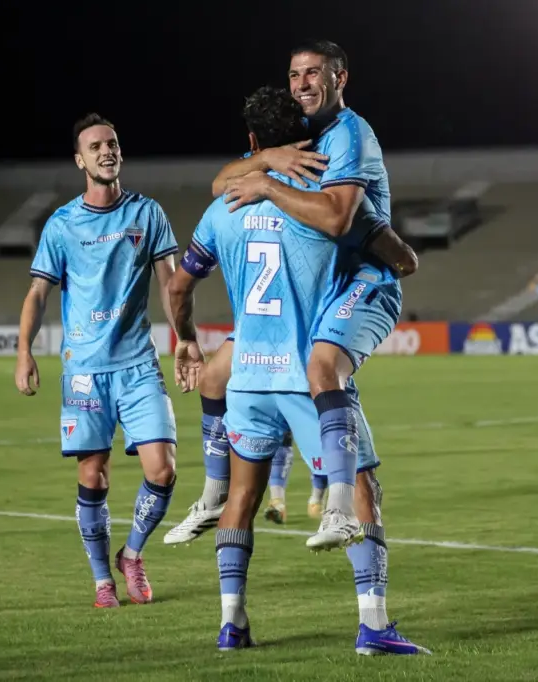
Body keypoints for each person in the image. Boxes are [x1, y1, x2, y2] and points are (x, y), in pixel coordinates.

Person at [167, 85, 429, 655]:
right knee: (363, 489)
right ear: (306, 140)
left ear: (255, 143)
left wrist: (187, 340)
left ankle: (232, 624)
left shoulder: (223, 207)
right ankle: (374, 626)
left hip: (248, 379)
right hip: (305, 375)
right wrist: (391, 254)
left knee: (242, 498)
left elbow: (180, 283)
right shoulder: (321, 199)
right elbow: (399, 257)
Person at [15, 113, 180, 609]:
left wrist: (185, 339)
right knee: (93, 475)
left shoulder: (148, 214)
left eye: (112, 144)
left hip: (138, 366)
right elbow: (38, 293)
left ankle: (131, 555)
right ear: (79, 160)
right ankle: (101, 581)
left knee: (163, 469)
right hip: (85, 371)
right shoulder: (62, 225)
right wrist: (24, 351)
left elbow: (172, 284)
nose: (106, 151)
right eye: (95, 147)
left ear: (119, 153)